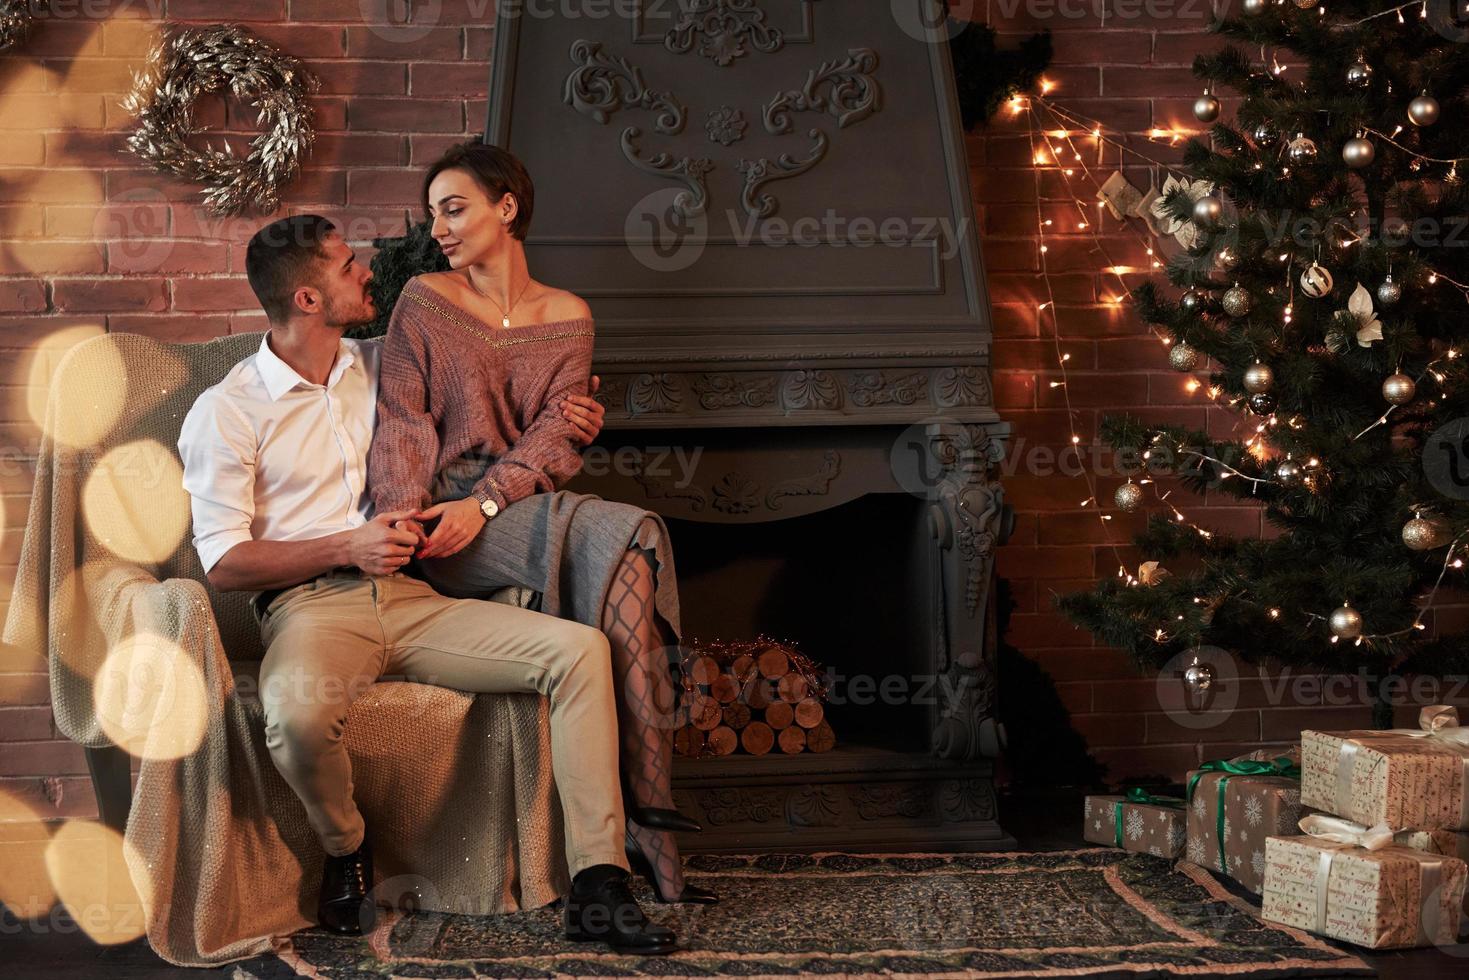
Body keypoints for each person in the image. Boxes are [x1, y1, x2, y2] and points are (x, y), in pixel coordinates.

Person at [176, 213, 677, 955]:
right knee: (294, 715)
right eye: (347, 267)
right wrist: (347, 544)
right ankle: (346, 848)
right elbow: (224, 563)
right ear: (308, 299)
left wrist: (572, 409)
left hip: (419, 599)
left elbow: (494, 390)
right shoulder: (227, 410)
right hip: (315, 612)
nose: (366, 273)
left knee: (578, 654)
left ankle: (598, 884)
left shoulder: (385, 362)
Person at [366, 141, 716, 906]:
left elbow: (556, 440)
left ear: (507, 206)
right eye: (433, 215)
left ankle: (646, 818)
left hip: (507, 508)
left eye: (454, 209)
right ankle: (646, 821)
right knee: (632, 535)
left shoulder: (567, 316)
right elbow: (402, 422)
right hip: (440, 523)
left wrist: (488, 500)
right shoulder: (424, 299)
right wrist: (398, 526)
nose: (440, 229)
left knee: (633, 547)